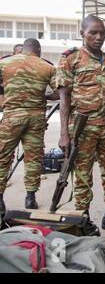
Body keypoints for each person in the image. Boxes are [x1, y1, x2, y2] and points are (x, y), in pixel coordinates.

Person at [55, 15, 105, 233]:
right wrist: (64, 133)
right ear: (82, 33)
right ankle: (83, 221)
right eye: (93, 32)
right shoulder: (70, 59)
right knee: (83, 176)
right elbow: (64, 99)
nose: (99, 37)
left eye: (102, 33)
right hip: (81, 129)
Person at [0, 39, 56, 214]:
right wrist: (42, 95)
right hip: (36, 118)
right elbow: (58, 91)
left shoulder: (5, 62)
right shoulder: (47, 66)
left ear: (23, 49)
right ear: (38, 50)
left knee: (2, 156)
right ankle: (30, 197)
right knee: (33, 158)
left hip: (12, 117)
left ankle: (0, 199)